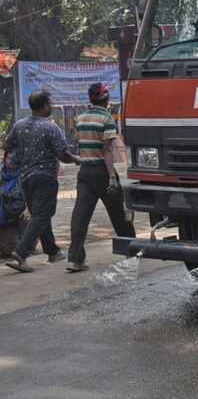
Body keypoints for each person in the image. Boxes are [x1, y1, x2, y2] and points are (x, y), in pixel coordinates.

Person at [4, 90, 81, 273]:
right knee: (42, 215)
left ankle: (52, 251)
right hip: (45, 178)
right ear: (45, 106)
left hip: (25, 178)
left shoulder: (19, 125)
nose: (51, 106)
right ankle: (20, 253)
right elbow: (62, 154)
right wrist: (77, 159)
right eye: (50, 103)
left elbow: (7, 144)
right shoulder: (50, 128)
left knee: (40, 213)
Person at [67, 83, 134, 272]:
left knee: (80, 216)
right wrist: (112, 176)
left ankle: (74, 259)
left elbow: (81, 144)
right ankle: (132, 250)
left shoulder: (80, 118)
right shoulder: (106, 118)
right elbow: (107, 151)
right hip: (101, 172)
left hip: (85, 172)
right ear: (106, 99)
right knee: (119, 214)